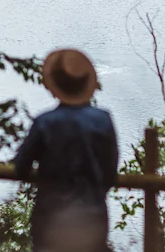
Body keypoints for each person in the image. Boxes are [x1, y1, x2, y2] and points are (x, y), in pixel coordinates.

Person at [14, 48, 119, 252]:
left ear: (55, 87)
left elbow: (21, 167)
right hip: (93, 218)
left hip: (51, 219)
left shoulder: (45, 122)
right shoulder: (104, 119)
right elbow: (110, 172)